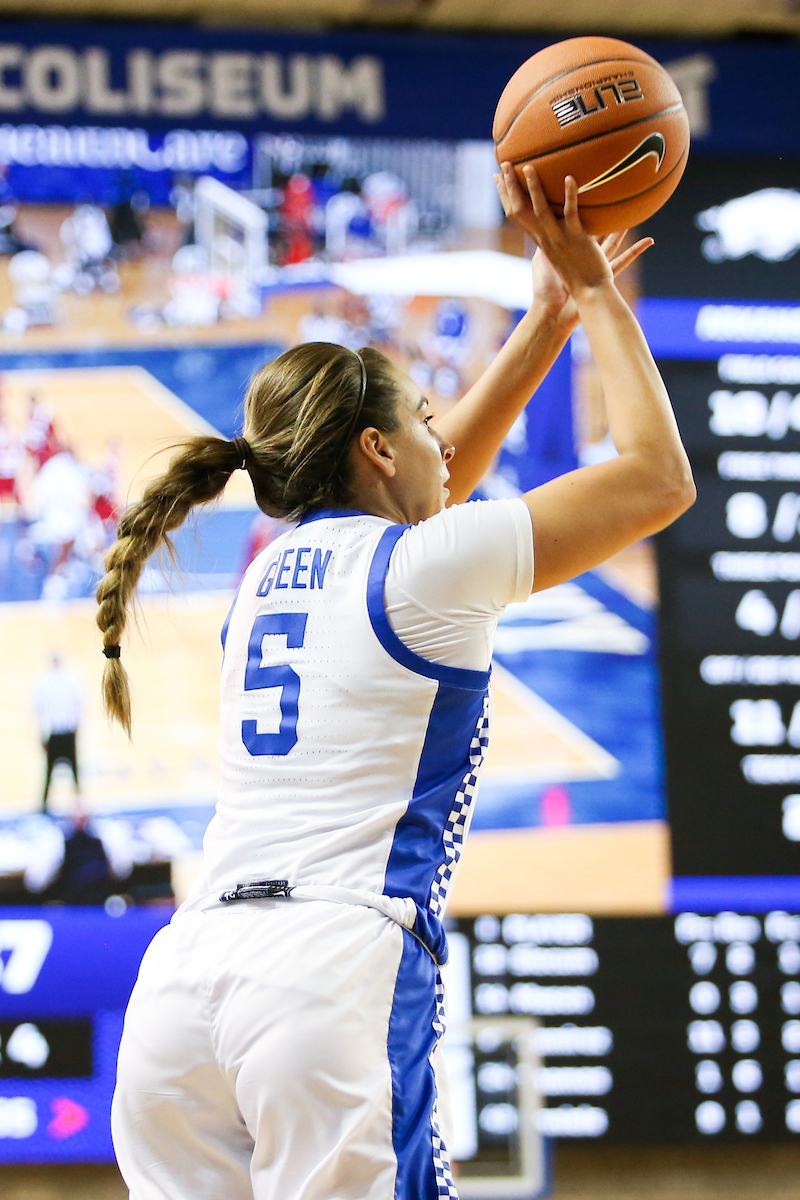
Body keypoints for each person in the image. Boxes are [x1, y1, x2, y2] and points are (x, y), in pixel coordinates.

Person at [96, 165, 695, 1200]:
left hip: (181, 992)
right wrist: (593, 291)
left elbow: (428, 471)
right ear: (376, 449)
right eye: (422, 419)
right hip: (325, 975)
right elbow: (656, 480)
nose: (442, 444)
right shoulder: (419, 566)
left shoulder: (264, 572)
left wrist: (541, 323)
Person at [32, 652, 85, 812]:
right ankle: (45, 806)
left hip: (64, 733)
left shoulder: (68, 681)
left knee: (74, 773)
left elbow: (79, 705)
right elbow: (38, 709)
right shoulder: (45, 682)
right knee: (51, 773)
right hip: (57, 733)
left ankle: (78, 806)